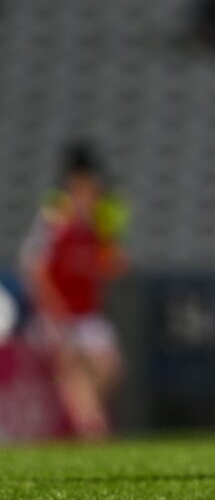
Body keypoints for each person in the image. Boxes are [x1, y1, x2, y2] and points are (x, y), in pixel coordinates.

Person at [19, 142, 129, 439]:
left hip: (87, 311)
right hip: (61, 312)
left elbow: (110, 262)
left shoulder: (98, 220)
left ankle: (85, 419)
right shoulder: (55, 217)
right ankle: (93, 430)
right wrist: (53, 311)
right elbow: (36, 267)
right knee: (73, 372)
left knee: (110, 368)